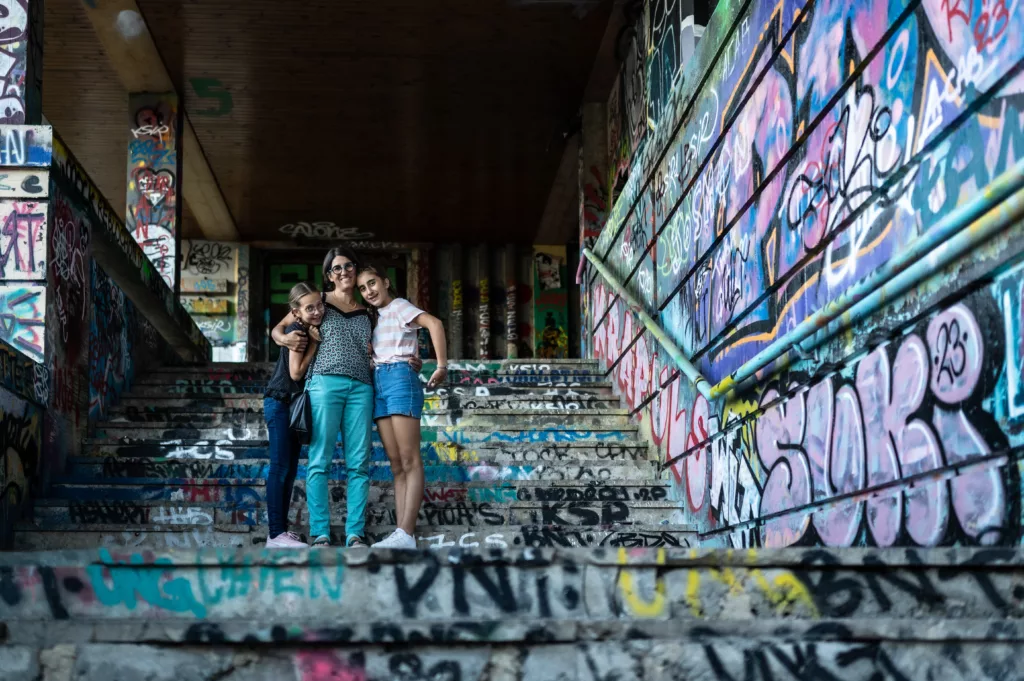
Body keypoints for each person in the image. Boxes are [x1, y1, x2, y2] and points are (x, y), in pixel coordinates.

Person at [271, 247, 375, 548]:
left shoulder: (368, 309)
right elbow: (281, 327)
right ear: (328, 275)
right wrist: (283, 338)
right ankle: (320, 533)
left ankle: (355, 532)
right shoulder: (318, 303)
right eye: (337, 268)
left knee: (359, 463)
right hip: (324, 385)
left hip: (361, 388)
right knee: (319, 461)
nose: (344, 272)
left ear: (356, 270)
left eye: (349, 266)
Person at [357, 264, 448, 549]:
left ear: (385, 281)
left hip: (399, 379)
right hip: (379, 382)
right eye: (362, 288)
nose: (369, 291)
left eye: (372, 283)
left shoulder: (398, 305)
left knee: (410, 460)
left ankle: (407, 533)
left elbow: (435, 323)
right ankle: (401, 533)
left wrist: (442, 365)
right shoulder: (372, 316)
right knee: (396, 464)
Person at [263, 282, 323, 548]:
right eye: (310, 308)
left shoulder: (301, 324)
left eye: (319, 305)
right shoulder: (298, 330)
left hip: (293, 404)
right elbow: (296, 373)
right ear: (296, 311)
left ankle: (280, 532)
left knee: (288, 470)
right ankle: (275, 533)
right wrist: (314, 346)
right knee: (280, 468)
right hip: (280, 402)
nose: (318, 311)